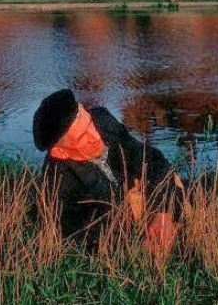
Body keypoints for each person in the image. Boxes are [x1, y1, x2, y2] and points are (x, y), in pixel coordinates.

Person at [33, 89, 184, 250]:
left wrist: (162, 212)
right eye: (82, 138)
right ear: (60, 152)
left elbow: (151, 158)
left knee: (187, 184)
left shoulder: (102, 120)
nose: (95, 137)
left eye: (89, 124)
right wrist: (128, 211)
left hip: (144, 199)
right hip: (124, 228)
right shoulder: (58, 179)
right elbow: (85, 233)